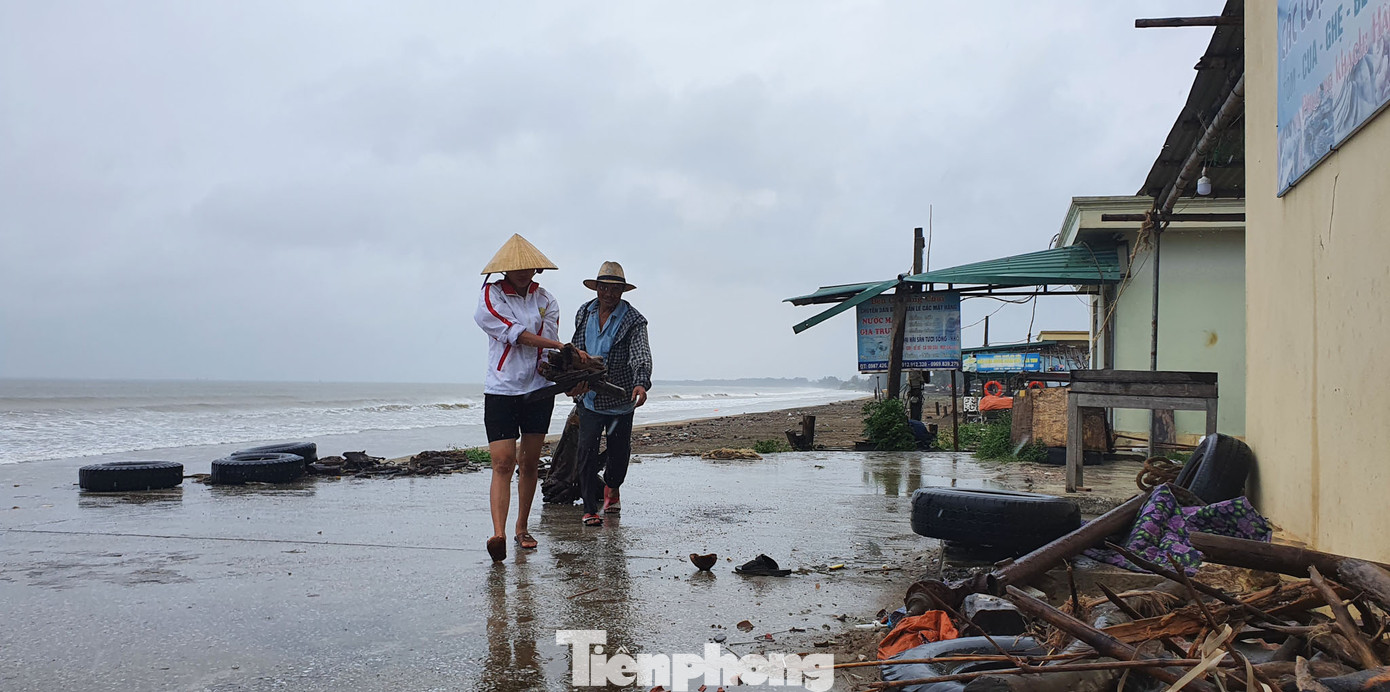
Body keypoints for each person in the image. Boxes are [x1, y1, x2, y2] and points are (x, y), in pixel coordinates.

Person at [473, 234, 577, 562]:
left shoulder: (545, 299)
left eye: (527, 267)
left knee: (529, 462)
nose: (522, 272)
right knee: (503, 462)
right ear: (504, 268)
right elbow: (513, 334)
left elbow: (549, 344)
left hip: (538, 390)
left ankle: (521, 527)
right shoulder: (491, 295)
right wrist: (559, 347)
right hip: (502, 389)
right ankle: (498, 533)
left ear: (536, 268)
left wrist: (569, 374)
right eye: (516, 267)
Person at [570, 261, 652, 527]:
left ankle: (613, 487)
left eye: (615, 289)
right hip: (589, 397)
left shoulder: (634, 320)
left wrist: (641, 382)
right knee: (586, 452)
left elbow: (641, 354)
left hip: (620, 399)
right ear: (597, 288)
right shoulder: (584, 312)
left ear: (622, 292)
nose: (609, 294)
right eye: (604, 287)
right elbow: (576, 349)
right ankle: (589, 508)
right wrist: (573, 380)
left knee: (618, 455)